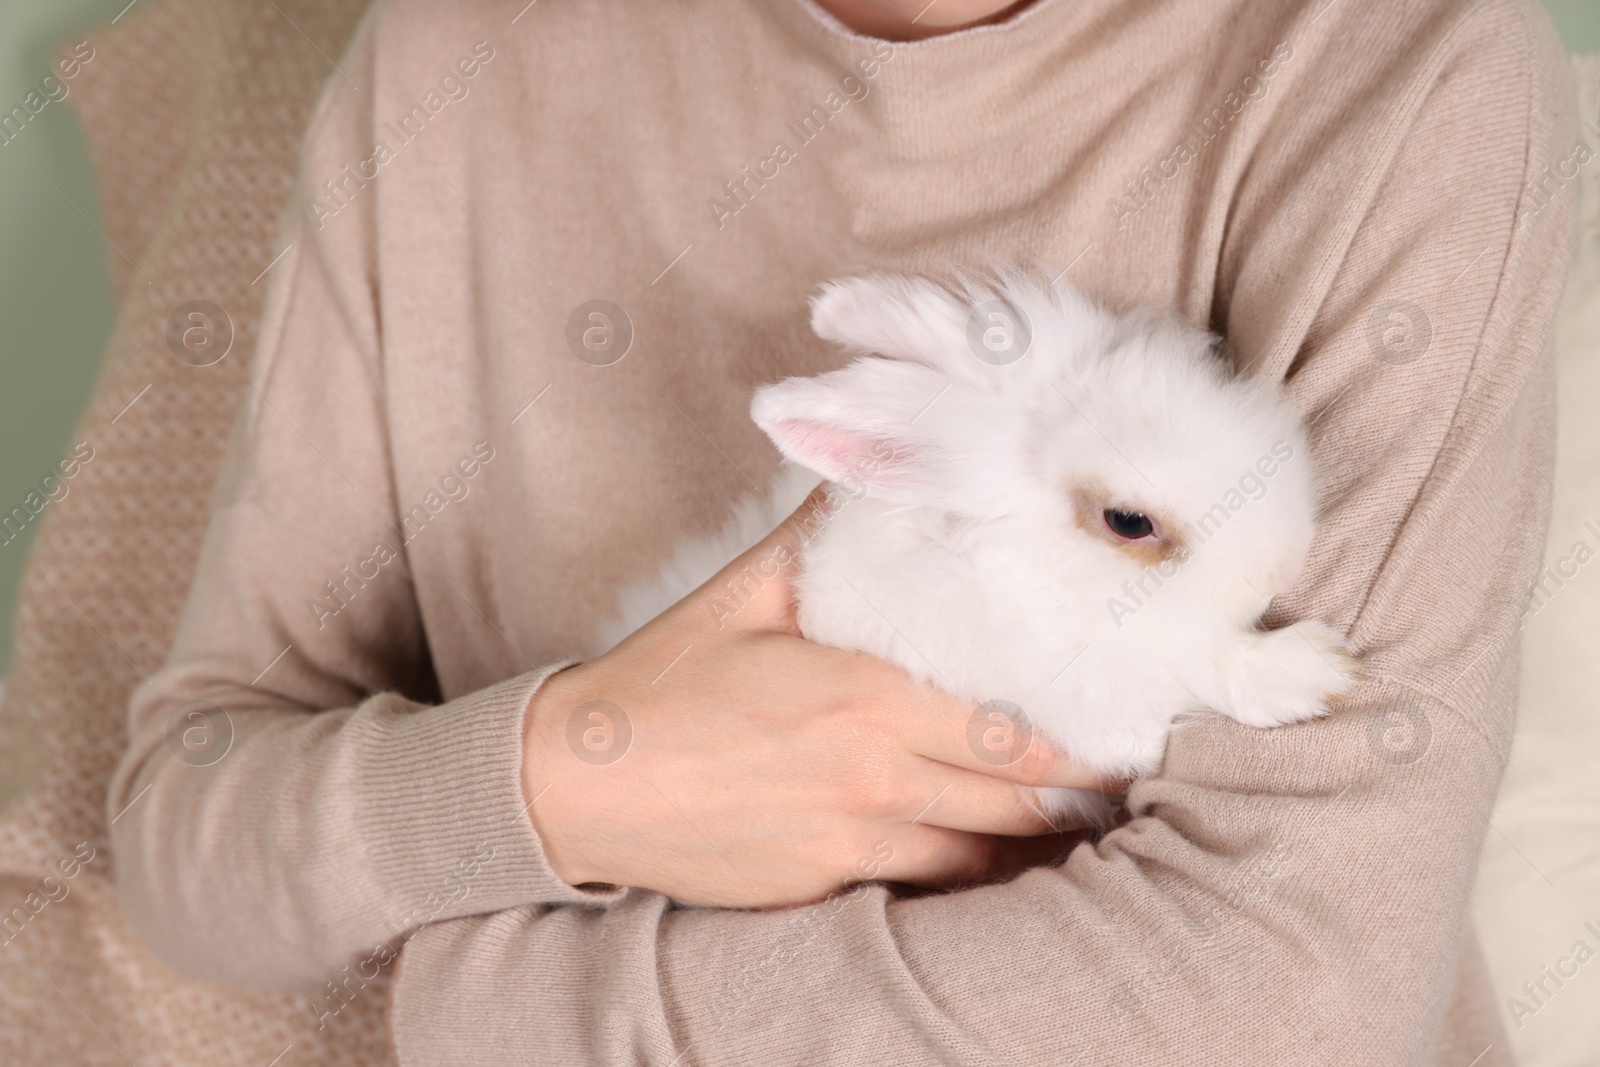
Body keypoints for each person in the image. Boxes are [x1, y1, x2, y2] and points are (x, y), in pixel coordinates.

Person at [106, 0, 1577, 1062]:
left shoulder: (1394, 60)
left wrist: (488, 1006)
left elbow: (1296, 990)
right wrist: (575, 774)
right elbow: (189, 832)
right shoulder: (452, 59)